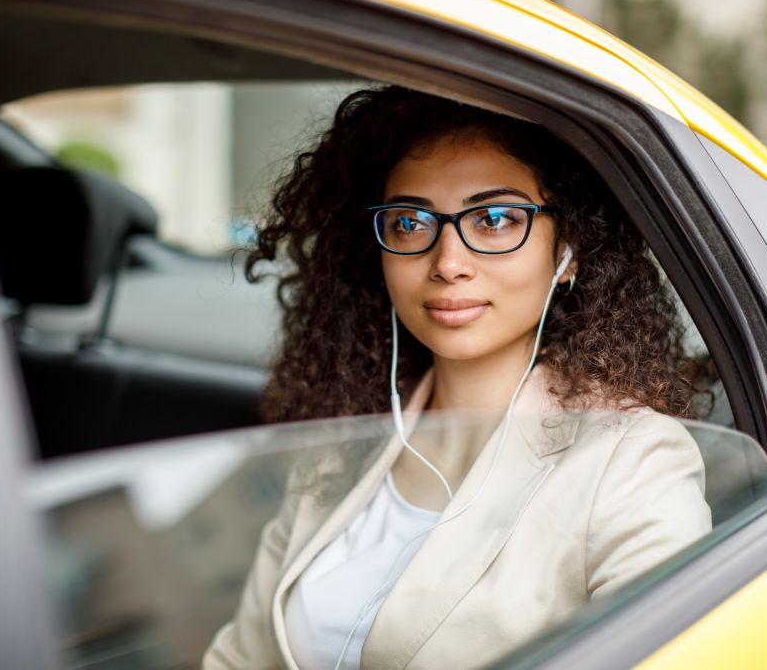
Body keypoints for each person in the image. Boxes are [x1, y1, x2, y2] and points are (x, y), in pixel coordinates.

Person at [204, 86, 712, 669]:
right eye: (410, 222)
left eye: (496, 219)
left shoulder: (633, 460)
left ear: (567, 249)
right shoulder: (344, 439)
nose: (447, 263)